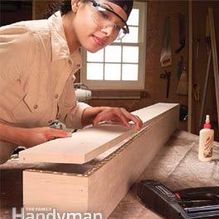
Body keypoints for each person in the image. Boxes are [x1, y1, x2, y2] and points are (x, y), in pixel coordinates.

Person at [0, 0, 143, 164]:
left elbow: (68, 111)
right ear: (76, 3)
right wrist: (23, 136)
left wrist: (99, 113)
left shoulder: (68, 56)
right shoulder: (27, 41)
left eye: (118, 26)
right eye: (103, 14)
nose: (109, 31)